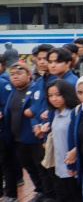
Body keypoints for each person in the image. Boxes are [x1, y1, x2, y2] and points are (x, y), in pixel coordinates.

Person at [5, 61, 56, 201]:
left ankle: (47, 193)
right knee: (28, 166)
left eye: (19, 73)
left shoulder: (34, 89)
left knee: (40, 168)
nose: (15, 77)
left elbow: (37, 110)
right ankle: (39, 190)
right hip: (18, 139)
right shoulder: (13, 91)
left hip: (34, 138)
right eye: (12, 74)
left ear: (28, 74)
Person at [41, 79, 82, 202]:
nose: (54, 99)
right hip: (58, 166)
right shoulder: (54, 113)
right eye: (50, 95)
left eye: (58, 94)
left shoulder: (73, 113)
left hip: (72, 166)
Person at [0, 61, 18, 201]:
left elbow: (6, 107)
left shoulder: (2, 83)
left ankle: (11, 194)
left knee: (6, 161)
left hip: (3, 130)